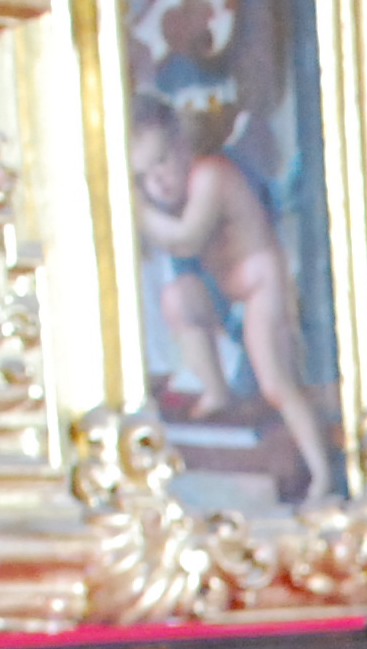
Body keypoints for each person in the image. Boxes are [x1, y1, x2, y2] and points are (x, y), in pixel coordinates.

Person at [130, 91, 340, 506]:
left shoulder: (211, 176)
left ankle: (322, 474)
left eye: (162, 161)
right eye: (143, 176)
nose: (158, 181)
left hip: (260, 284)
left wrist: (136, 208)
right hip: (224, 290)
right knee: (178, 298)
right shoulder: (177, 192)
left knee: (276, 383)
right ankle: (217, 392)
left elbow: (185, 240)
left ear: (182, 146)